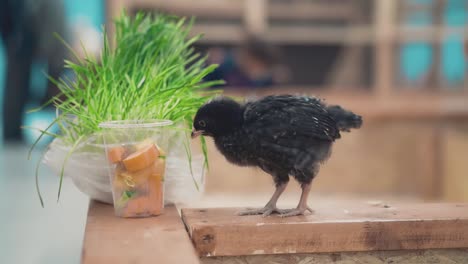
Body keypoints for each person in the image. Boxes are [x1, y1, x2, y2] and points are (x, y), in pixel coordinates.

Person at [0, 0, 67, 142]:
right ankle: (12, 132)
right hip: (24, 34)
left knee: (56, 79)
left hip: (35, 38)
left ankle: (13, 132)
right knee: (17, 80)